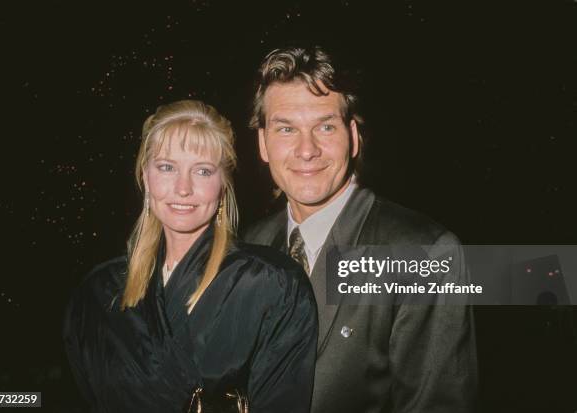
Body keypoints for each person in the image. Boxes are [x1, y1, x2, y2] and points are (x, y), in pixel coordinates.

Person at [243, 46, 478, 412]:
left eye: (324, 126)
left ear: (353, 136)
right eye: (286, 129)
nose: (307, 150)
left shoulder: (425, 252)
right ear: (263, 143)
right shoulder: (248, 246)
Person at [63, 100, 318, 413]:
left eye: (202, 171)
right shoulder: (98, 294)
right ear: (145, 175)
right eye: (167, 167)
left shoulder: (273, 284)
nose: (183, 188)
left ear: (223, 184)